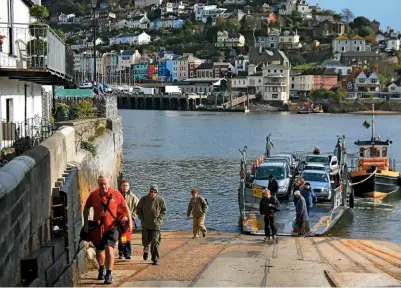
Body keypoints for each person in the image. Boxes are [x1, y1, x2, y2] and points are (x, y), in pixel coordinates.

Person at [83, 176, 132, 285]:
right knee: (99, 251)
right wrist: (86, 224)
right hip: (98, 229)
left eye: (105, 184)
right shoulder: (94, 195)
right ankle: (101, 268)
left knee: (109, 249)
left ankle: (108, 274)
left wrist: (130, 222)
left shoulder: (116, 194)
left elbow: (125, 208)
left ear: (109, 184)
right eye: (101, 184)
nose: (103, 186)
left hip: (112, 228)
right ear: (98, 184)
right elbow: (86, 208)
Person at [137, 184, 166, 265]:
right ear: (149, 191)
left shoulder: (160, 200)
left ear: (157, 192)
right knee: (146, 241)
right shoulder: (143, 199)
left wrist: (159, 220)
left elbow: (164, 211)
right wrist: (142, 218)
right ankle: (146, 250)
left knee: (155, 241)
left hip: (156, 225)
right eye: (152, 191)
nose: (153, 193)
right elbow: (138, 210)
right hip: (146, 224)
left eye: (155, 192)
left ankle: (155, 258)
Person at [118, 180, 139, 260]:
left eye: (126, 185)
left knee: (127, 237)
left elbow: (138, 208)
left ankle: (128, 253)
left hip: (129, 221)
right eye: (123, 185)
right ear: (121, 186)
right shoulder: (117, 195)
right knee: (121, 236)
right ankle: (121, 253)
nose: (125, 187)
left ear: (129, 187)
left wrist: (132, 216)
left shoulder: (133, 197)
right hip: (119, 220)